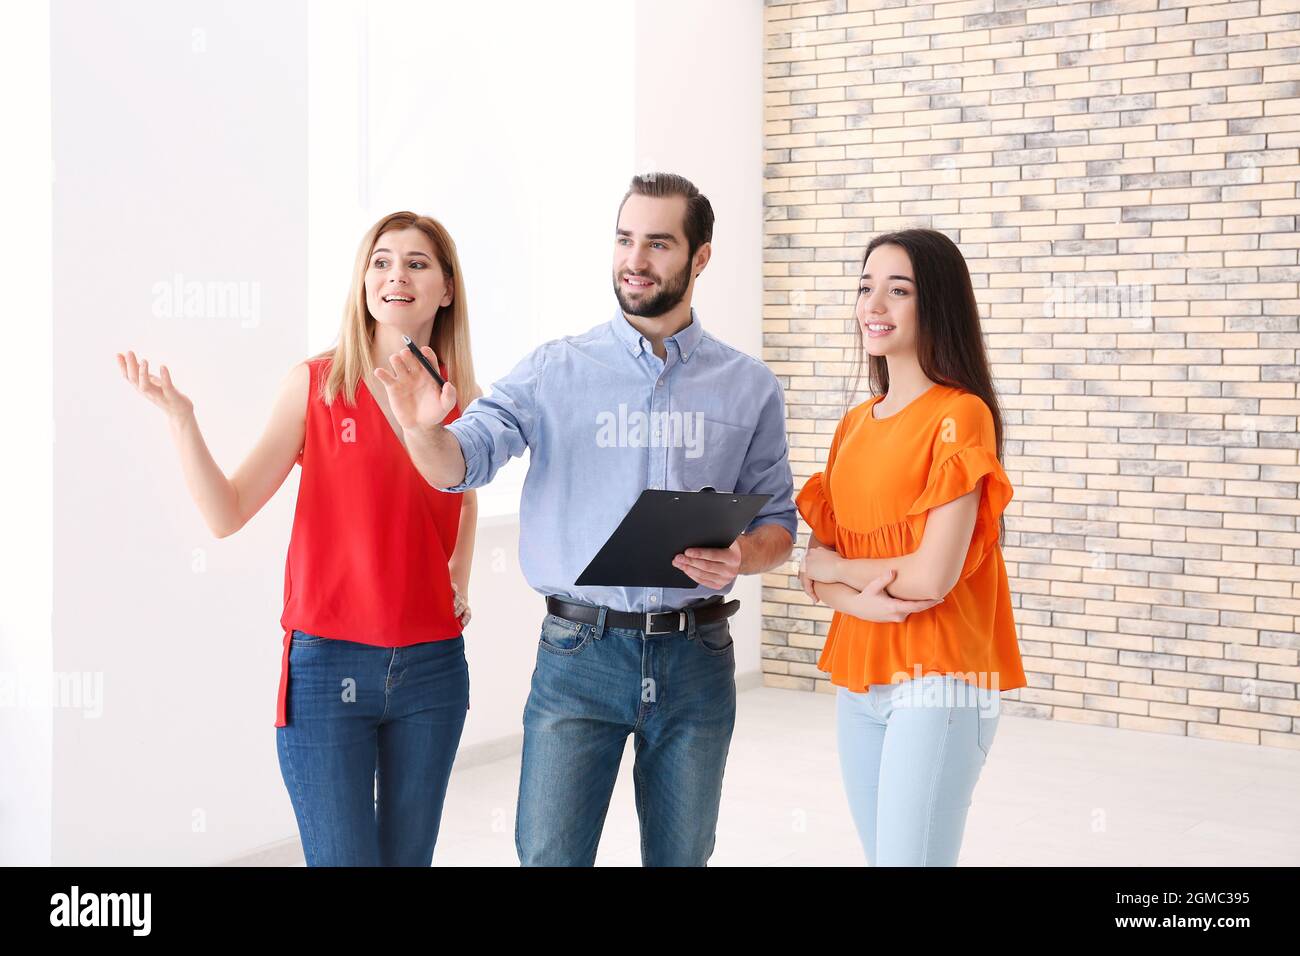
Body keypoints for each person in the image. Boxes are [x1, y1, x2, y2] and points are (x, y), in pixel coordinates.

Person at [378, 172, 798, 866]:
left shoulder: (748, 386)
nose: (635, 260)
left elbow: (780, 522)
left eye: (658, 243)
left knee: (682, 857)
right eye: (625, 239)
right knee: (549, 856)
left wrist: (744, 556)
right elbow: (462, 463)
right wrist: (424, 430)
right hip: (579, 656)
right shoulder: (554, 371)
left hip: (696, 660)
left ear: (700, 258)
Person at [116, 211, 481, 866]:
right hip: (327, 668)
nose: (396, 274)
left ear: (446, 289)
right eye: (381, 260)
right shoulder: (316, 386)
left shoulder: (464, 398)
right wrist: (182, 419)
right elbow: (226, 512)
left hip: (433, 670)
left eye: (417, 263)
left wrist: (458, 577)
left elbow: (463, 494)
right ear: (363, 281)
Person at [796, 228, 1026, 866]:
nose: (874, 305)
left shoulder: (961, 415)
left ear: (938, 305)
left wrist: (838, 574)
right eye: (866, 287)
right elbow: (808, 572)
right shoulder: (853, 425)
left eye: (898, 290)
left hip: (942, 681)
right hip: (861, 680)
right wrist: (859, 600)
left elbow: (930, 578)